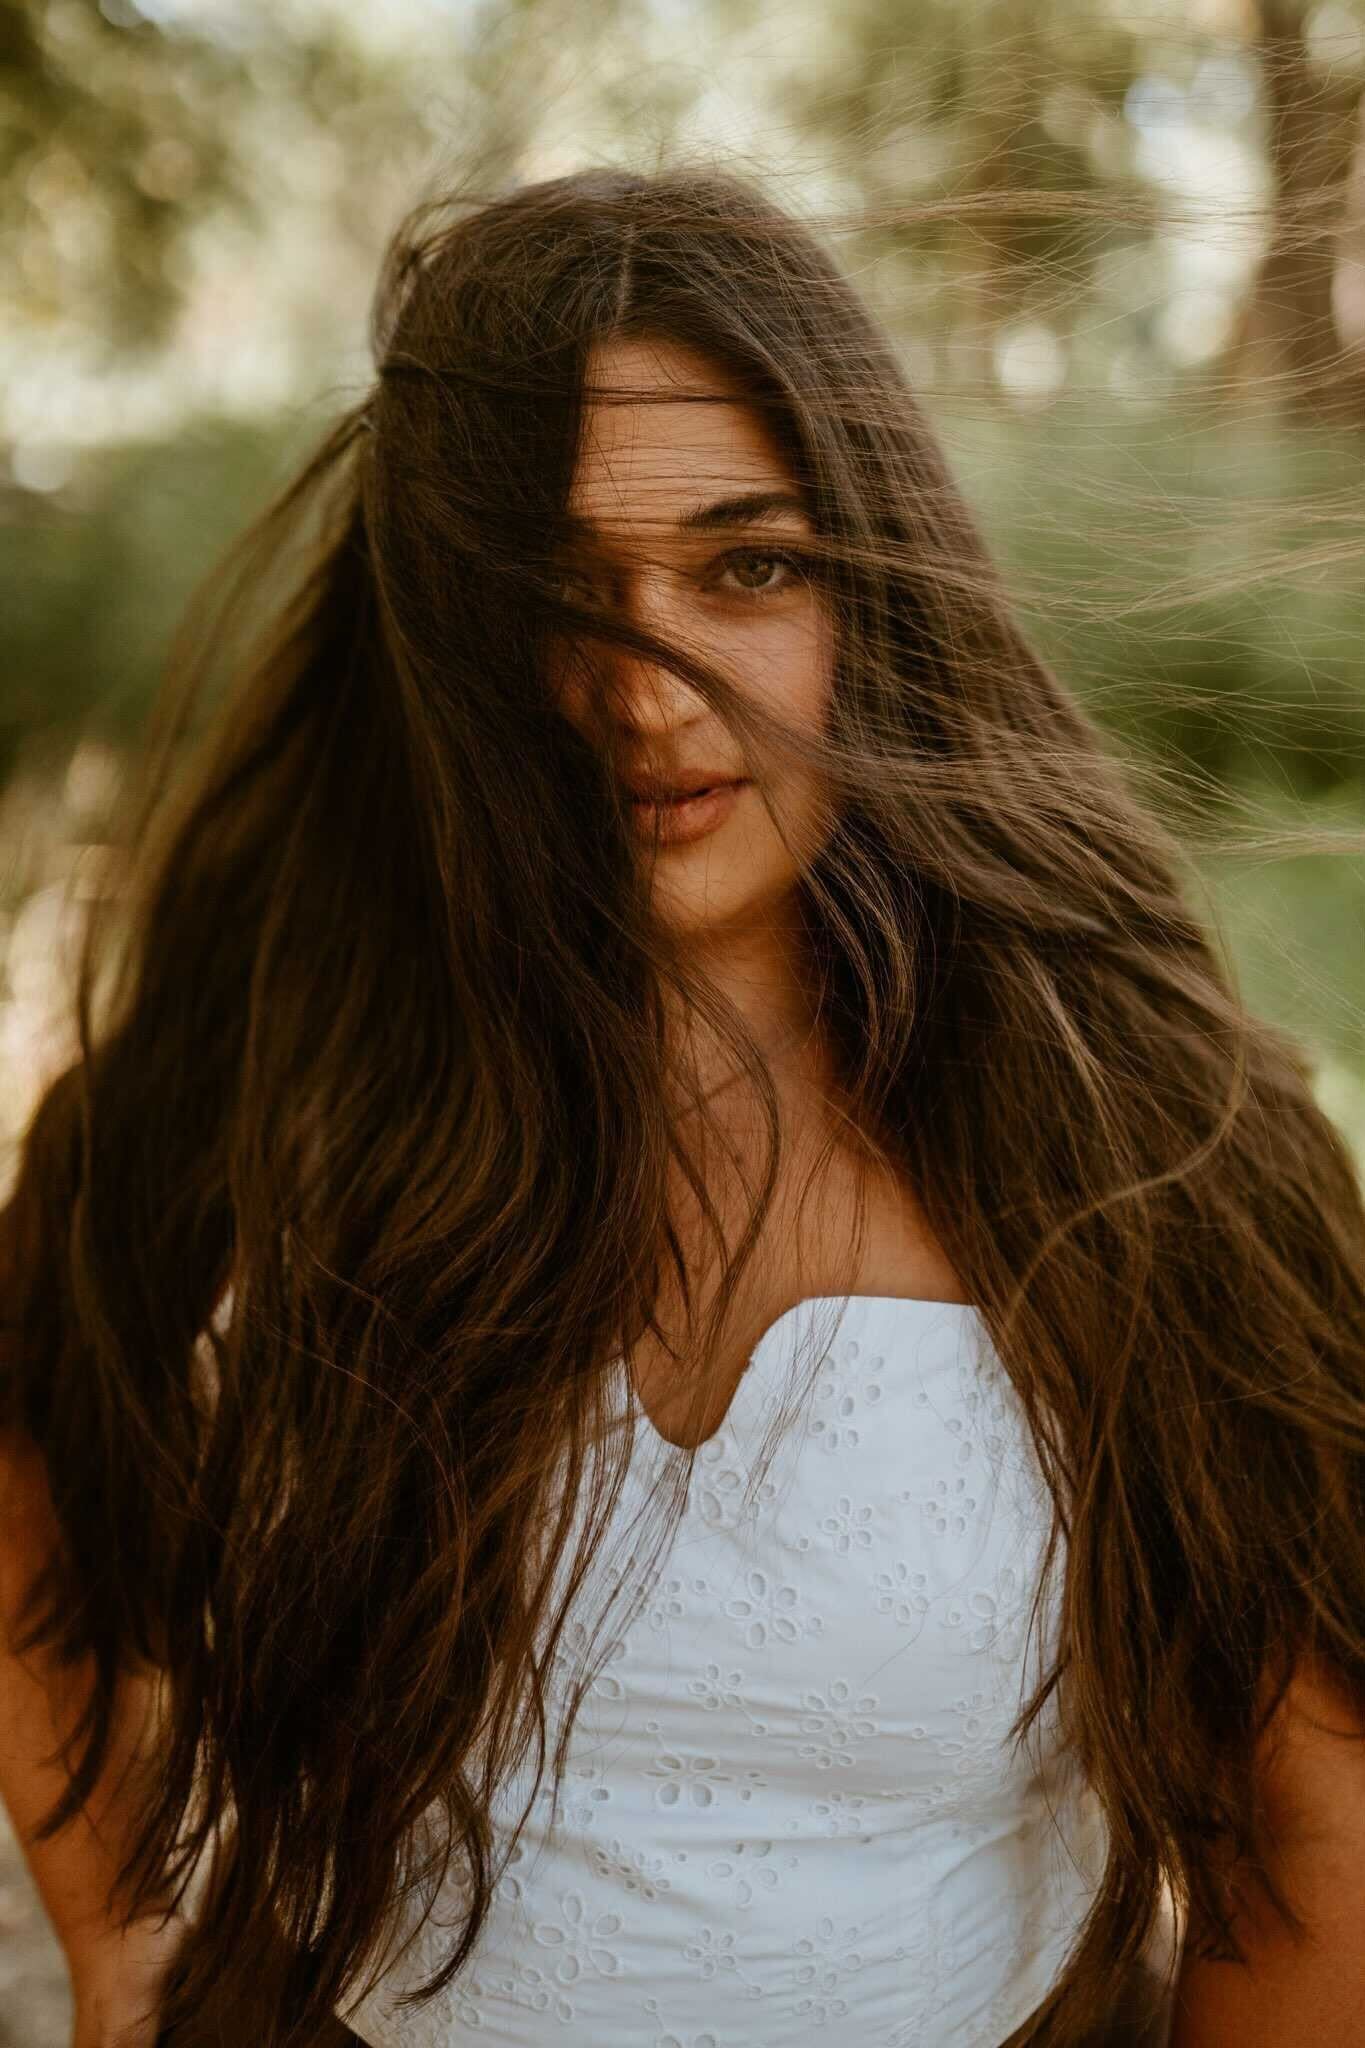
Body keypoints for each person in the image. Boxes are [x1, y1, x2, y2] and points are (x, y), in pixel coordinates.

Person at [2, 158, 1365, 2048]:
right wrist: (119, 1937)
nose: (646, 695)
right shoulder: (282, 1074)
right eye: (554, 598)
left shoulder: (1146, 1139)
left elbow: (1313, 1829)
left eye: (748, 567)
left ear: (870, 589)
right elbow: (32, 1431)